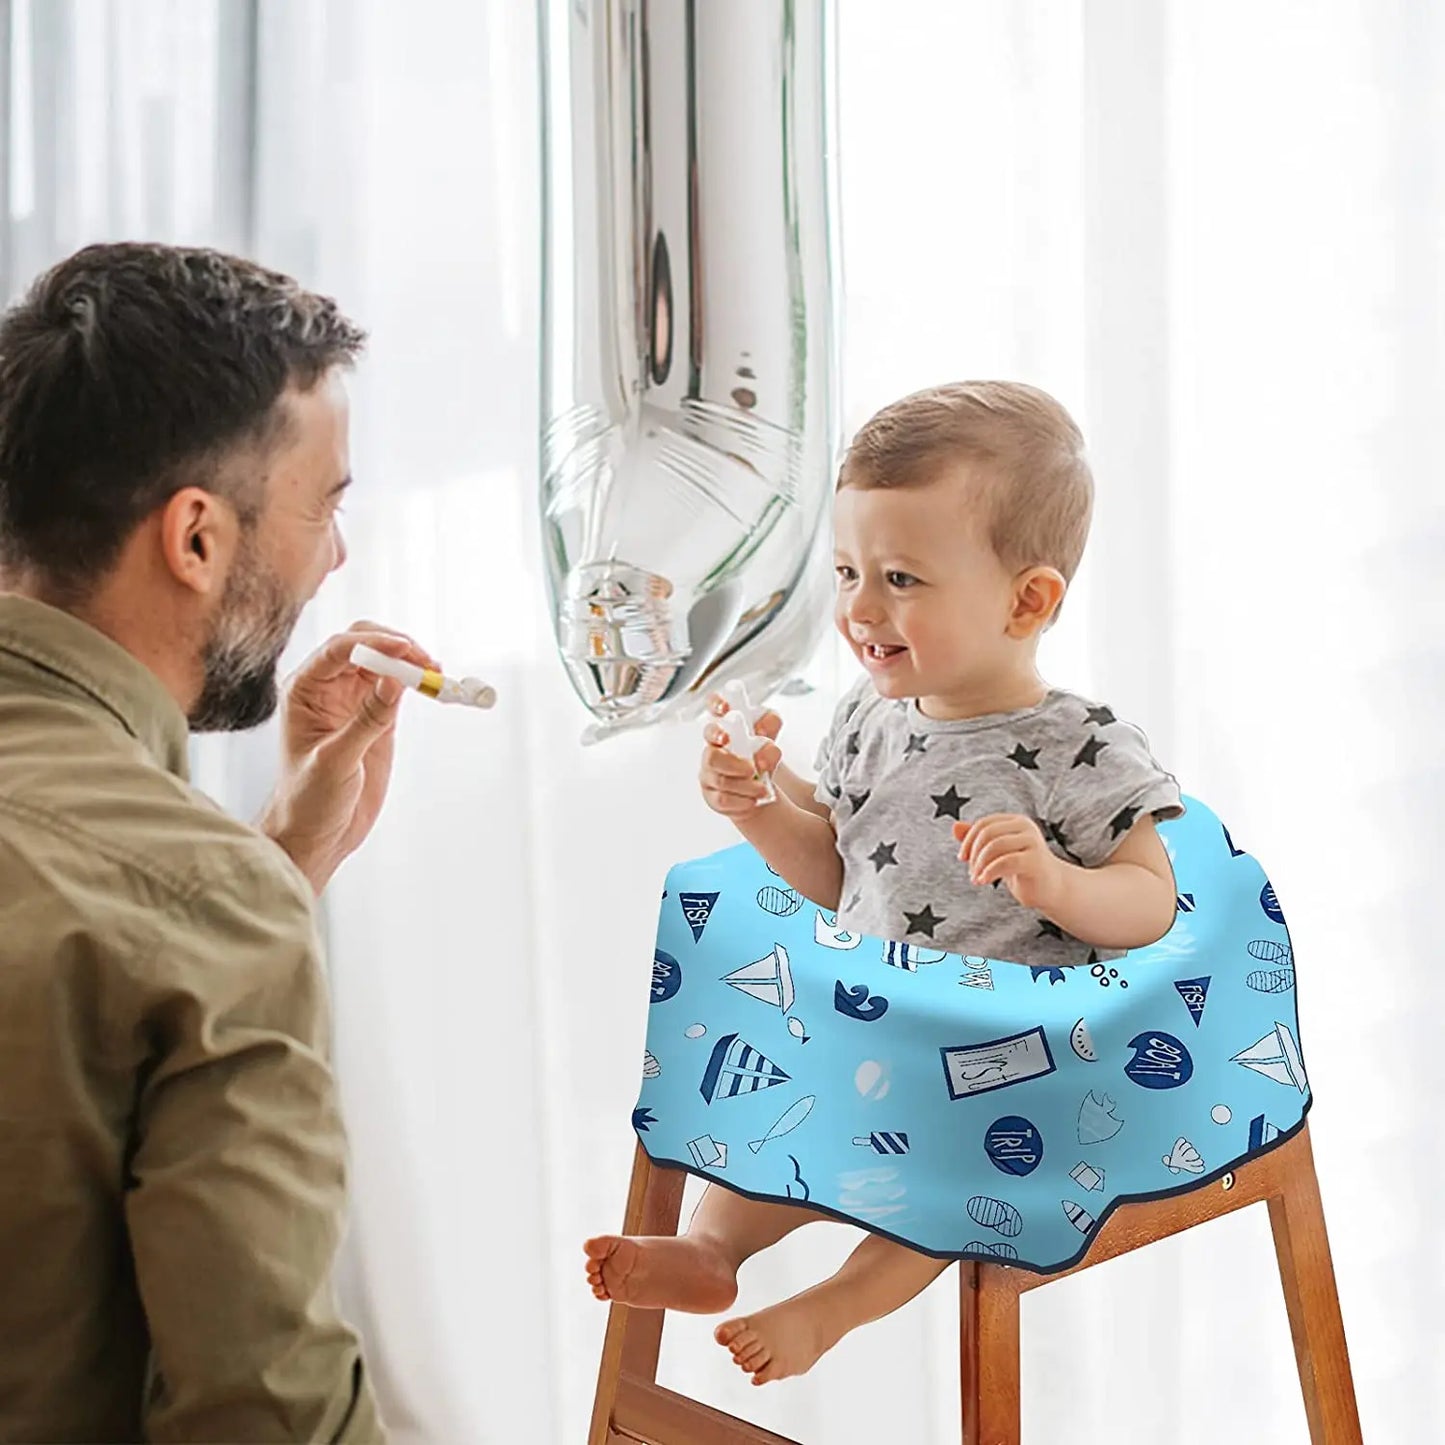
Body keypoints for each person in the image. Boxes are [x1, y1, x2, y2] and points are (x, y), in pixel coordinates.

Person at [584, 380, 1184, 1384]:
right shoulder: (870, 714)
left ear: (1026, 600)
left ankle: (836, 1304)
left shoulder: (1077, 746)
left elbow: (1153, 902)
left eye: (899, 577)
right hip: (870, 1025)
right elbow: (838, 867)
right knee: (777, 1107)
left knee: (954, 1178)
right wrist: (757, 807)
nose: (858, 608)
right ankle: (713, 1248)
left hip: (1004, 1061)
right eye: (847, 569)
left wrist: (1056, 885)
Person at [0, 242, 435, 1442]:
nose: (333, 557)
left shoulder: (211, 900)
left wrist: (280, 861)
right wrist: (247, 895)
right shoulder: (208, 908)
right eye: (326, 504)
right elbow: (263, 1413)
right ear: (195, 537)